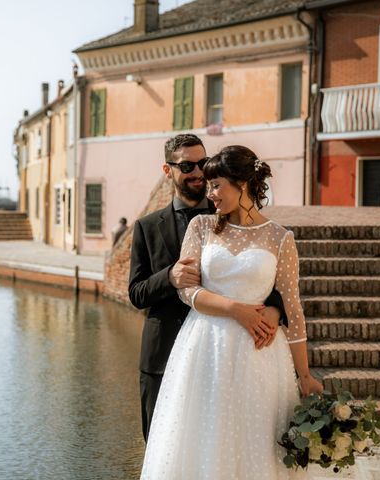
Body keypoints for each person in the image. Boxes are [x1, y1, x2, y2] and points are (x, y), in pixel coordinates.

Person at [140, 145, 323, 479]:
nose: (210, 194)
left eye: (216, 185)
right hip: (204, 347)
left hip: (261, 357)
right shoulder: (202, 227)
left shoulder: (281, 239)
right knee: (204, 436)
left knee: (257, 438)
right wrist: (236, 310)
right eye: (209, 186)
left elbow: (293, 310)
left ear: (242, 183)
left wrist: (305, 375)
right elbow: (188, 290)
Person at [128, 134, 287, 443]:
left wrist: (274, 309)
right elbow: (136, 292)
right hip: (161, 358)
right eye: (187, 165)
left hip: (221, 356)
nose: (198, 172)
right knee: (162, 451)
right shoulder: (147, 227)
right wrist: (169, 276)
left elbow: (264, 276)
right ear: (167, 171)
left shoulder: (234, 216)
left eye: (202, 162)